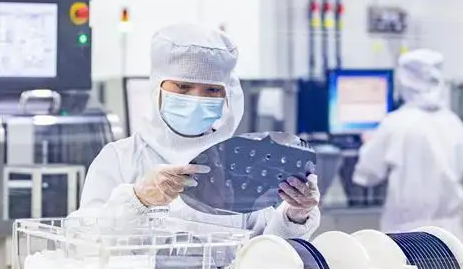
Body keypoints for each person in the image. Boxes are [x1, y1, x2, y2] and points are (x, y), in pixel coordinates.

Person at [70, 24, 320, 239]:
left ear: (227, 96)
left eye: (212, 90)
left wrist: (295, 215)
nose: (197, 98)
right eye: (183, 86)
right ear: (157, 87)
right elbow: (81, 240)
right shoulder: (119, 159)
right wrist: (138, 199)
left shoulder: (238, 165)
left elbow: (266, 255)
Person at [352, 49, 463, 241]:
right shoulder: (456, 124)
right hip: (451, 235)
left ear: (404, 82)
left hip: (407, 235)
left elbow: (367, 174)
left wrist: (368, 144)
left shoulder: (395, 123)